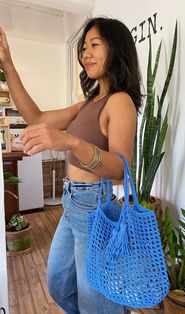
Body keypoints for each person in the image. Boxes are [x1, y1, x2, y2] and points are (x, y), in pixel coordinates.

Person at [0, 17, 142, 314]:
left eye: (94, 45)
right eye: (83, 48)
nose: (84, 54)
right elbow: (35, 117)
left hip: (93, 207)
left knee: (96, 304)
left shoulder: (120, 102)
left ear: (116, 50)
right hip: (72, 203)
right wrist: (8, 65)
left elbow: (119, 168)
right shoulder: (88, 103)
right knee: (58, 284)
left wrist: (70, 142)